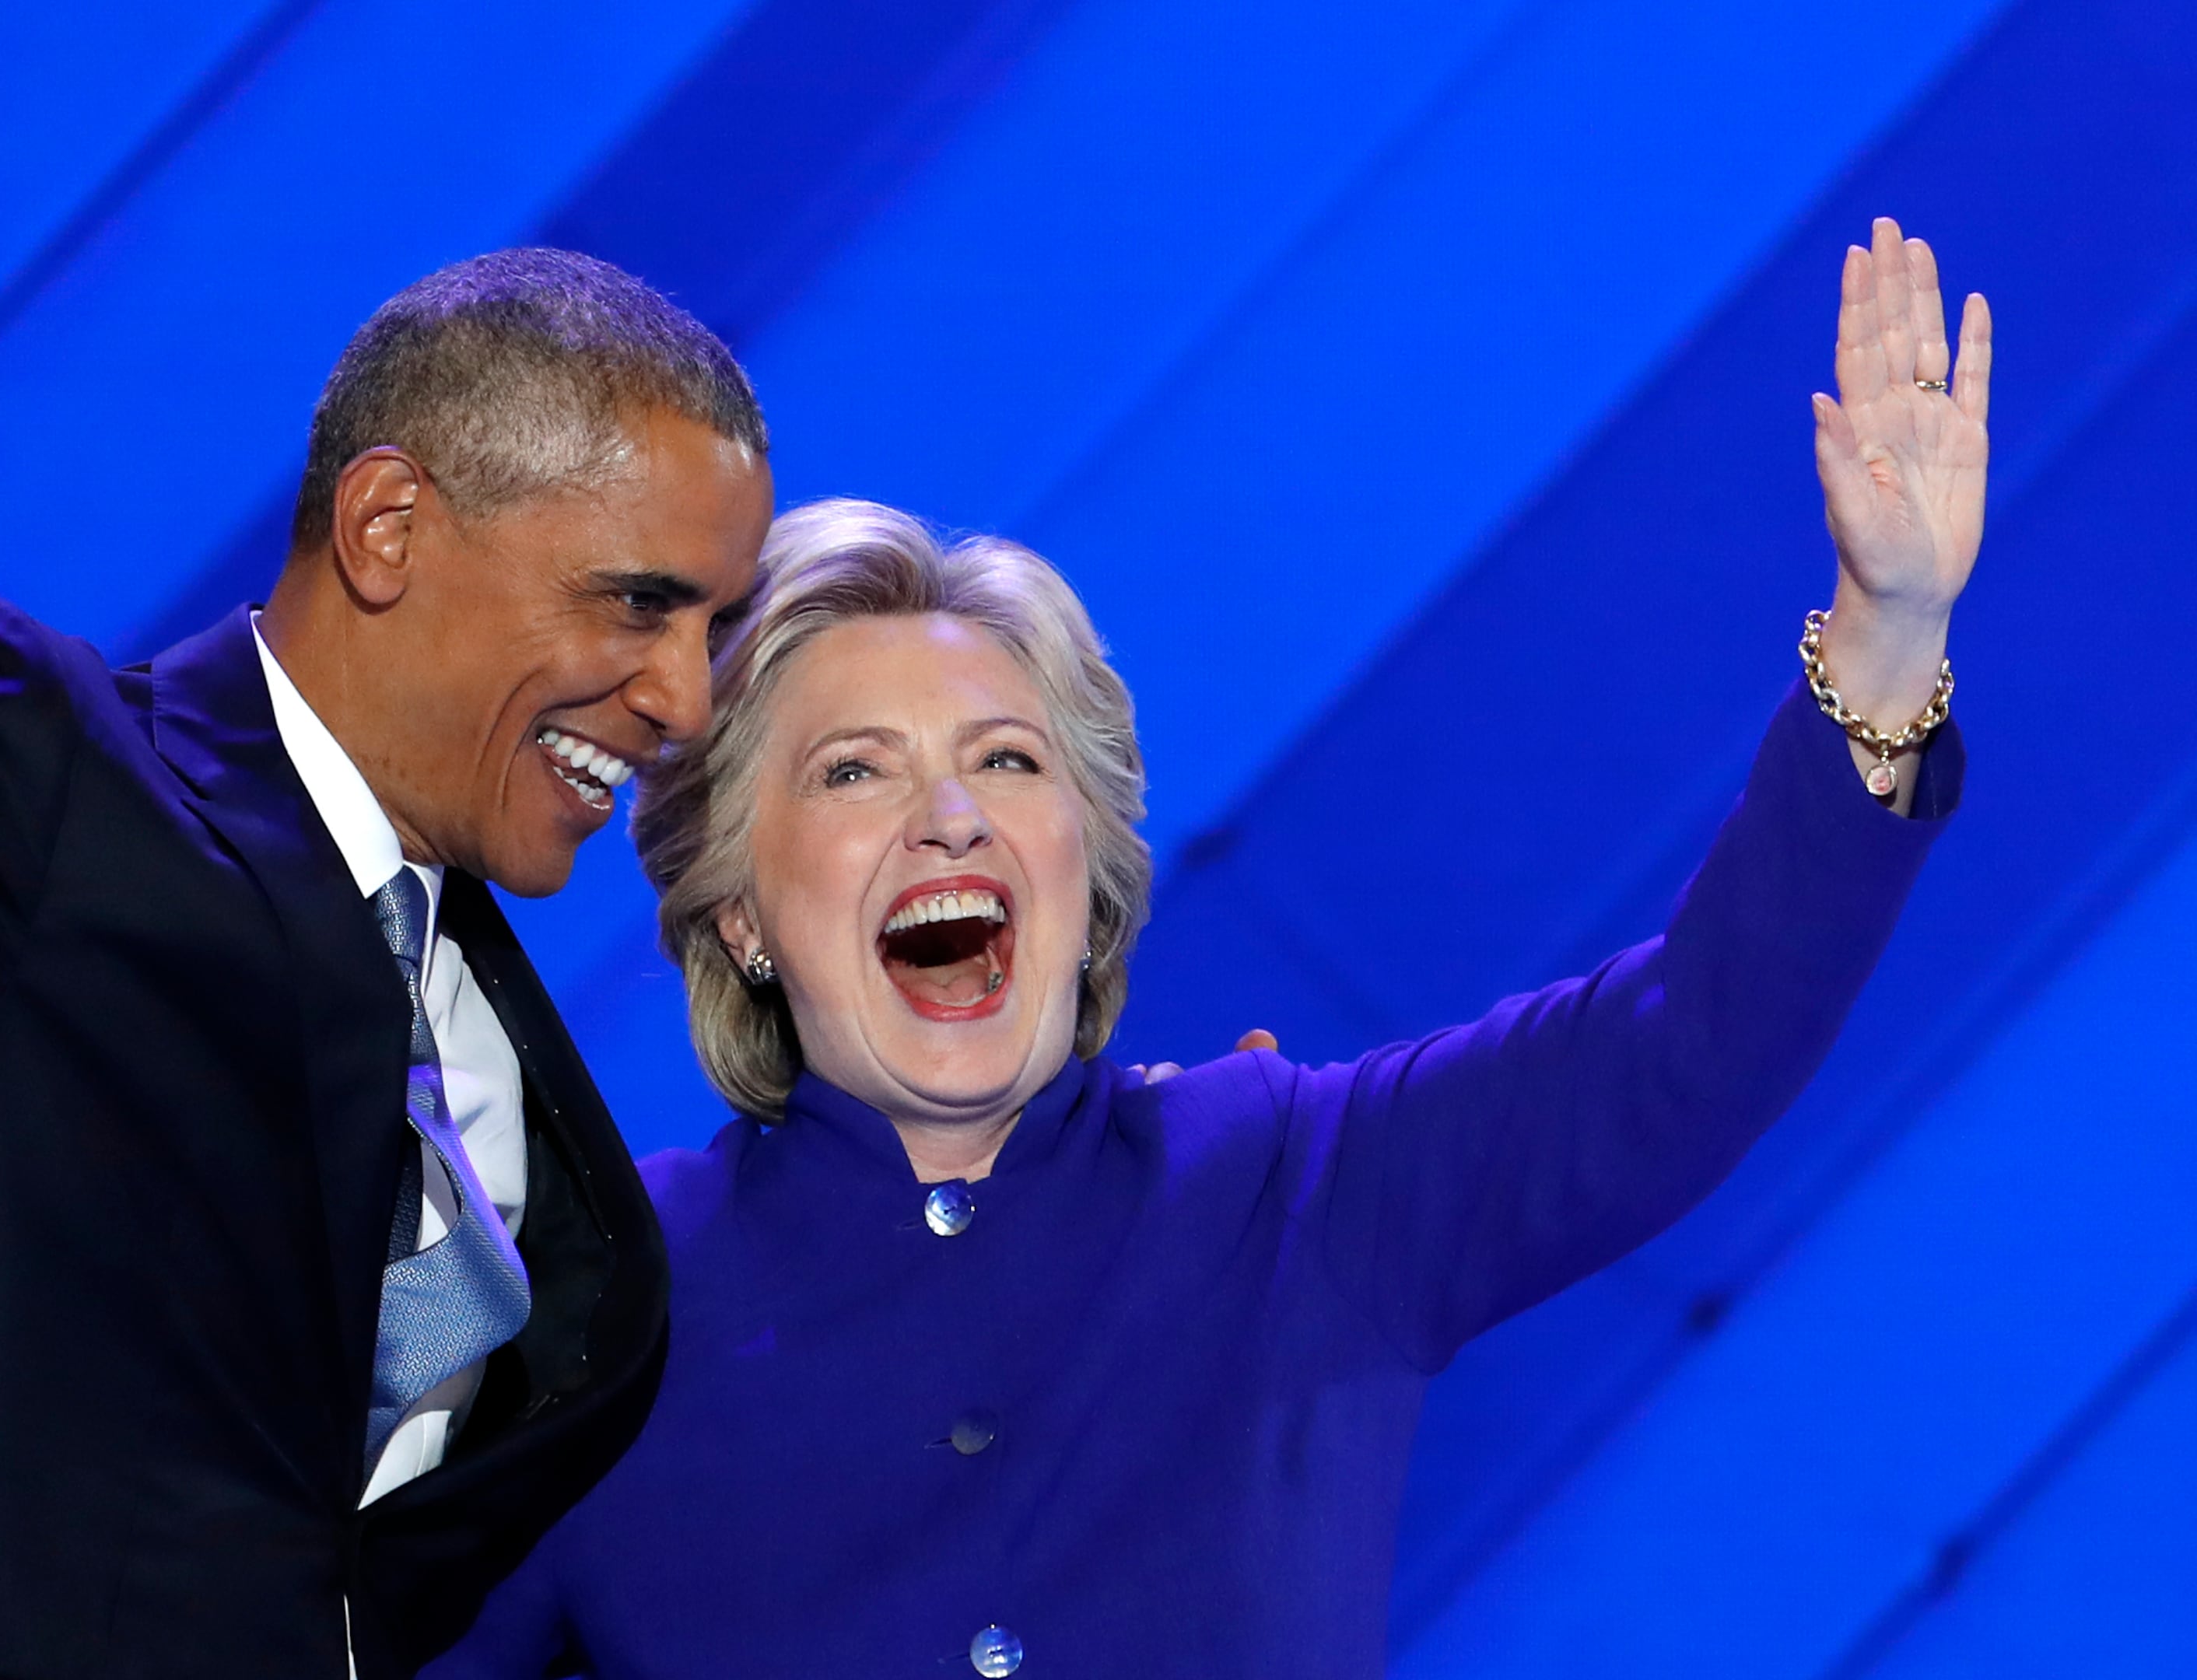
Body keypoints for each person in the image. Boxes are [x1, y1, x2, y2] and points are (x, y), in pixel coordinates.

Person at [425, 215, 1987, 1678]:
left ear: (1089, 883)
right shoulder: (574, 1328)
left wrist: (1888, 634)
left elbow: (1688, 1038)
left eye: (1008, 761)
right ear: (742, 908)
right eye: (854, 770)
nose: (949, 817)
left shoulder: (1296, 1189)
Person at [0, 12, 771, 1678]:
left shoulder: (495, 1044)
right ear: (389, 527)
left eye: (715, 628)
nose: (685, 698)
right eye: (639, 605)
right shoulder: (36, 776)